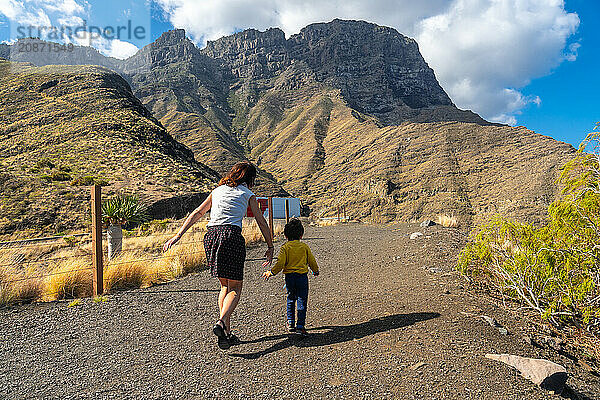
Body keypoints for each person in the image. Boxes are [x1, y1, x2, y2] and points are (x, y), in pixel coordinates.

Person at [163, 161, 274, 349]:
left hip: (212, 236)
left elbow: (198, 212)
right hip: (231, 236)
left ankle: (227, 334)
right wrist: (270, 245)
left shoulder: (218, 190)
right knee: (235, 287)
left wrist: (178, 235)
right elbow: (261, 221)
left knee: (224, 285)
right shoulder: (248, 194)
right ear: (250, 179)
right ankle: (221, 322)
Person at [262, 218, 319, 337]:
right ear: (301, 235)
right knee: (302, 300)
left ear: (286, 235)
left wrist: (271, 272)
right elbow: (311, 260)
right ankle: (300, 326)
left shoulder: (285, 247)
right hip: (302, 277)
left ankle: (291, 322)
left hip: (289, 278)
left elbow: (280, 263)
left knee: (291, 299)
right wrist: (315, 270)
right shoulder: (304, 247)